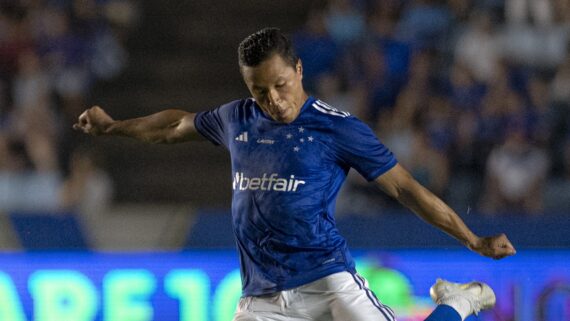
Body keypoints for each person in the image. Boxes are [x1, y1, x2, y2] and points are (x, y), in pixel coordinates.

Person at [74, 28, 516, 321]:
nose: (272, 99)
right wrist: (113, 126)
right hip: (262, 298)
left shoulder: (336, 128)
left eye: (280, 84)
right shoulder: (236, 119)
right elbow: (174, 126)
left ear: (299, 70)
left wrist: (472, 239)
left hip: (326, 279)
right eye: (258, 90)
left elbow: (406, 188)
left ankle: (462, 298)